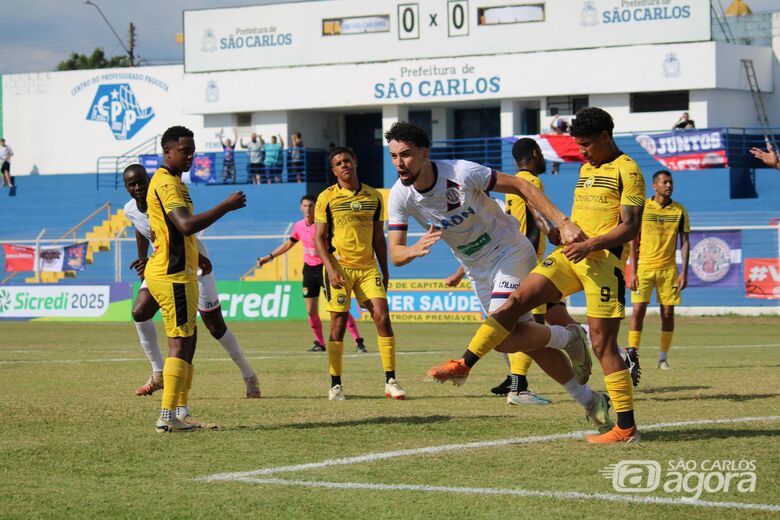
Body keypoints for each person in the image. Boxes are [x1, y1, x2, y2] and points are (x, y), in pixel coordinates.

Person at [426, 108, 646, 444]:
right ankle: (465, 363)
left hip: (603, 266)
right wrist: (561, 232)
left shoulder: (628, 171)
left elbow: (630, 227)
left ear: (606, 137)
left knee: (603, 346)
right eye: (579, 145)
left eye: (587, 145)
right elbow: (584, 216)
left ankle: (626, 428)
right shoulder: (587, 169)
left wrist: (591, 245)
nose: (583, 152)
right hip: (568, 257)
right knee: (516, 301)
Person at [386, 121, 613, 430]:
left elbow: (523, 186)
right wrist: (412, 250)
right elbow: (395, 254)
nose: (400, 163)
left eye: (406, 154)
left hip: (509, 252)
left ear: (424, 153)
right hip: (476, 270)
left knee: (501, 331)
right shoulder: (400, 196)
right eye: (394, 156)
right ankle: (589, 399)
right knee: (517, 341)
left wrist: (563, 221)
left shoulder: (462, 173)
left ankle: (571, 336)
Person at [122, 163, 261, 401]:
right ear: (126, 188)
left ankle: (248, 374)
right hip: (162, 265)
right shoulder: (130, 210)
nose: (137, 188)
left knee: (215, 327)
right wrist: (142, 258)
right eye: (131, 184)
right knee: (140, 311)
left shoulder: (164, 194)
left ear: (148, 180)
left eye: (140, 182)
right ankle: (158, 373)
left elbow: (182, 230)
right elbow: (142, 228)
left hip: (192, 261)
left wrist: (198, 256)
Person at [144, 125, 246, 433]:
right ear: (168, 152)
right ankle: (167, 415)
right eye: (184, 151)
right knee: (179, 343)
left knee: (187, 341)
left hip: (180, 271)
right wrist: (225, 207)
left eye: (193, 150)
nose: (190, 156)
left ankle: (181, 412)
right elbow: (185, 224)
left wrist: (195, 256)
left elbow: (174, 231)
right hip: (171, 275)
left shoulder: (174, 182)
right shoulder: (166, 183)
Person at [313, 147, 406, 401]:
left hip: (367, 268)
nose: (344, 165)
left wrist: (385, 271)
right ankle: (336, 384)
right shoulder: (326, 198)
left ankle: (391, 381)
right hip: (339, 268)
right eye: (338, 163)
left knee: (382, 317)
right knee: (339, 323)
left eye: (347, 160)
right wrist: (331, 269)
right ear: (333, 171)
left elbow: (379, 238)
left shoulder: (374, 196)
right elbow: (319, 239)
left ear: (355, 162)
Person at [257, 194, 368, 353]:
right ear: (300, 208)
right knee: (310, 310)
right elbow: (289, 243)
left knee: (339, 307)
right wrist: (269, 257)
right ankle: (320, 343)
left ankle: (359, 342)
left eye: (311, 205)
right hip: (309, 270)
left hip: (326, 269)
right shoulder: (299, 226)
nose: (308, 208)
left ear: (316, 207)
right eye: (305, 206)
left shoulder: (322, 225)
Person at [627, 170, 690, 374]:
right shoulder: (643, 208)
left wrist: (684, 272)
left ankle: (663, 358)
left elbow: (685, 242)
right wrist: (633, 271)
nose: (668, 185)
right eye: (664, 182)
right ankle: (632, 357)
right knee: (638, 311)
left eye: (670, 182)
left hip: (668, 269)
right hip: (644, 267)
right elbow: (633, 240)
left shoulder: (679, 210)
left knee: (668, 312)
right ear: (655, 186)